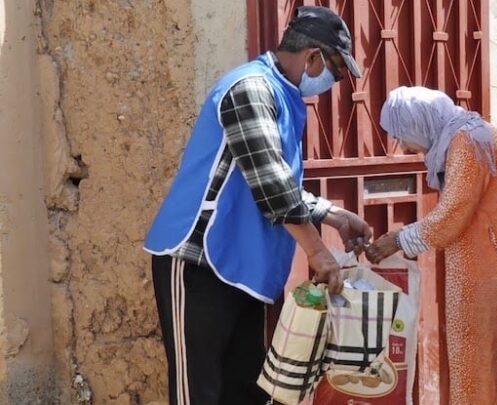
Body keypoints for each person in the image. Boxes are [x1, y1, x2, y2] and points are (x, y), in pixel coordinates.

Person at [143, 6, 371, 404]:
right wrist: (318, 252)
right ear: (313, 57)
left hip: (243, 268)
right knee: (199, 393)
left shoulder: (282, 95)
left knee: (247, 391)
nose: (334, 82)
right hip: (200, 262)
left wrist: (335, 215)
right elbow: (272, 184)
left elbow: (276, 182)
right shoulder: (250, 88)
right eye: (336, 70)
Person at [366, 86, 497, 405]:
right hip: (490, 264)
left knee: (482, 362)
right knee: (494, 360)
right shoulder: (464, 136)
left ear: (419, 123)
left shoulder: (466, 142)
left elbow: (452, 214)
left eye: (402, 135)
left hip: (494, 269)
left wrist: (398, 240)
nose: (404, 147)